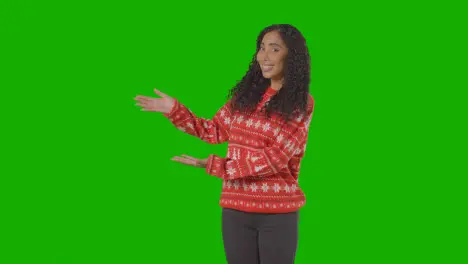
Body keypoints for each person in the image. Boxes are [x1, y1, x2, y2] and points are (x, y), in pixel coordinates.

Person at [134, 24, 314, 264]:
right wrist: (174, 110)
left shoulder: (300, 104)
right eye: (262, 48)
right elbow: (213, 131)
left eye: (274, 49)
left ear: (291, 56)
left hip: (277, 213)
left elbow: (275, 158)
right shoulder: (245, 98)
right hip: (235, 210)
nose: (265, 56)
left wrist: (216, 166)